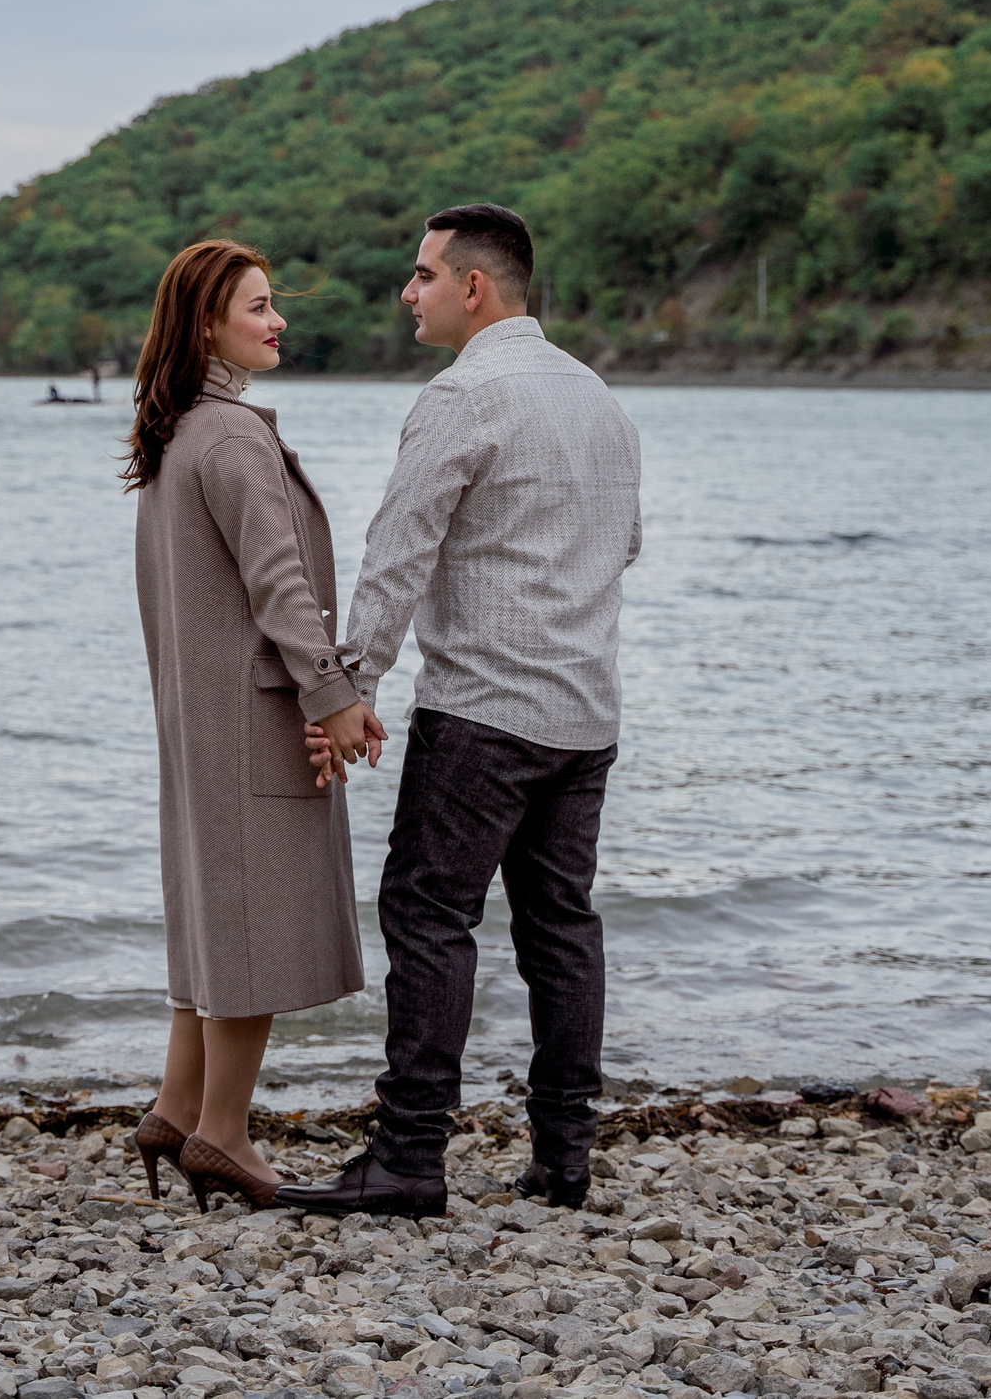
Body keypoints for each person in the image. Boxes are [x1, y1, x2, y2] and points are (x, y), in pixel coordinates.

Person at [277, 203, 641, 1221]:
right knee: (560, 929)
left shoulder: (463, 396)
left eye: (423, 274)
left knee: (428, 917)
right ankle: (564, 1157)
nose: (409, 291)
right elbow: (625, 545)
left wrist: (348, 687)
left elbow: (399, 552)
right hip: (583, 712)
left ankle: (407, 1158)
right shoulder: (597, 397)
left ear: (473, 287)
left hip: (483, 708)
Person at [123, 238, 386, 1212]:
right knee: (250, 927)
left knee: (214, 912)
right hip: (249, 716)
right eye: (258, 307)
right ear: (205, 326)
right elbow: (280, 588)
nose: (278, 322)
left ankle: (177, 1108)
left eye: (274, 305)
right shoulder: (231, 439)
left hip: (198, 721)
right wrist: (336, 698)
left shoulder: (179, 432)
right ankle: (223, 1137)